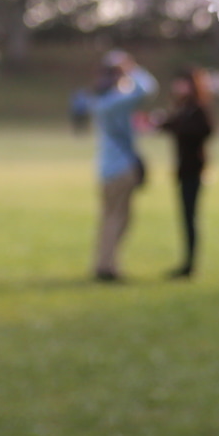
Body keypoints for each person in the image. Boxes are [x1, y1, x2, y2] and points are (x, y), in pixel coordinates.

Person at [87, 51, 155, 282]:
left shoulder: (101, 103)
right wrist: (132, 67)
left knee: (109, 217)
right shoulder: (116, 102)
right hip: (120, 168)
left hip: (106, 168)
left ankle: (104, 263)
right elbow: (146, 88)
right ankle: (107, 267)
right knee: (118, 219)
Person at [155, 67, 216, 279]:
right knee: (185, 217)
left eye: (184, 83)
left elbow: (206, 130)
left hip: (194, 170)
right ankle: (186, 262)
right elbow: (171, 126)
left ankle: (190, 265)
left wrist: (176, 127)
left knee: (190, 217)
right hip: (182, 170)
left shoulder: (197, 109)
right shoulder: (183, 109)